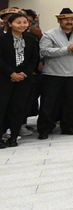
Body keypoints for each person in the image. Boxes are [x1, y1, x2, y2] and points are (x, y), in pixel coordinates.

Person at [38, 8, 73, 139]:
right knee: (48, 103)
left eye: (71, 19)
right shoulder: (49, 34)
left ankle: (67, 126)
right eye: (66, 19)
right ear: (59, 21)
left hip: (72, 74)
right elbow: (45, 51)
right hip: (53, 74)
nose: (69, 22)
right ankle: (45, 128)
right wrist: (67, 49)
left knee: (70, 102)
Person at [0, 13, 41, 148]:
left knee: (18, 108)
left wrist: (23, 73)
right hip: (5, 78)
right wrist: (11, 73)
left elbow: (34, 59)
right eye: (18, 22)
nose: (22, 25)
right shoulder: (2, 39)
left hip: (24, 79)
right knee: (3, 107)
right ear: (10, 24)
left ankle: (14, 136)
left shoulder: (30, 39)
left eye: (25, 22)